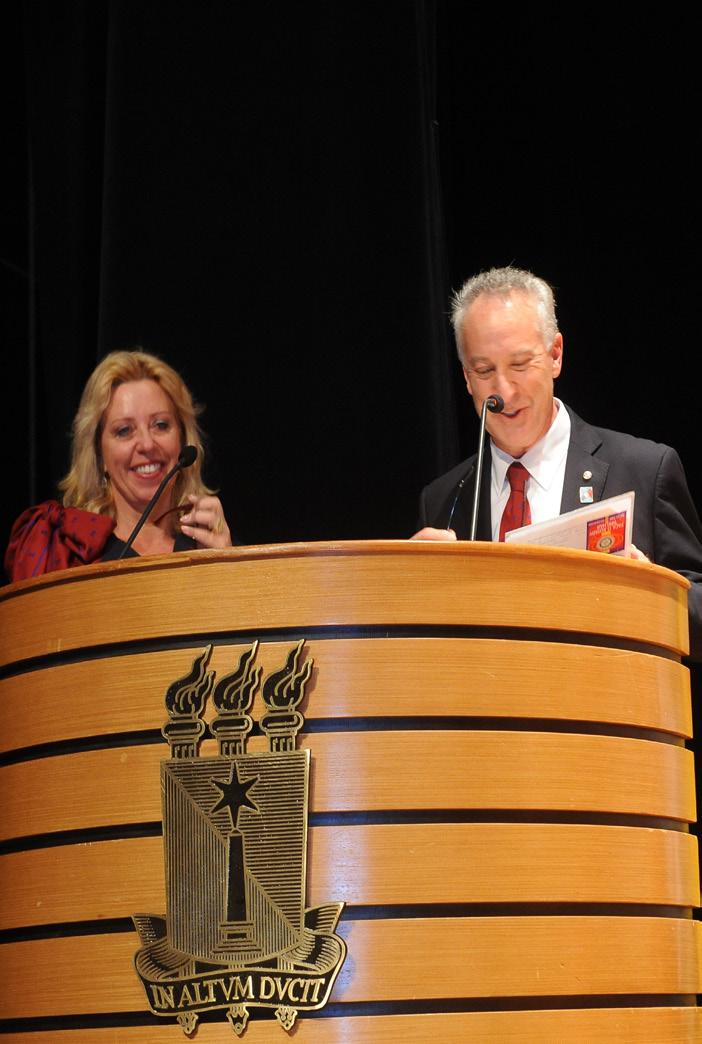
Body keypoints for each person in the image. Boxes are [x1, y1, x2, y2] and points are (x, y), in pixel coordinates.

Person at [414, 266, 702, 660]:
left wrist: (647, 594)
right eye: (484, 371)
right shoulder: (445, 498)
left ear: (555, 356)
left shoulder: (644, 469)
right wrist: (408, 589)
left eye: (520, 364)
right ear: (466, 378)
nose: (503, 390)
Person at [5, 349, 232, 581]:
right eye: (124, 430)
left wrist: (229, 573)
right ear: (99, 455)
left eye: (161, 425)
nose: (146, 444)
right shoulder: (68, 552)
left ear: (183, 440)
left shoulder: (210, 547)